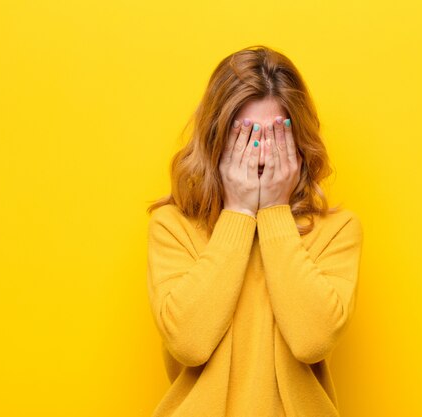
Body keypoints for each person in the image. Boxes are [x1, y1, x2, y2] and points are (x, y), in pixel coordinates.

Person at [146, 45, 364, 417]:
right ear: (217, 141)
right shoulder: (173, 227)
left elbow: (312, 340)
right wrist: (239, 212)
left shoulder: (337, 230)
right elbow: (188, 343)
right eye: (246, 139)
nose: (261, 155)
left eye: (276, 137)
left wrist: (275, 212)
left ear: (298, 144)